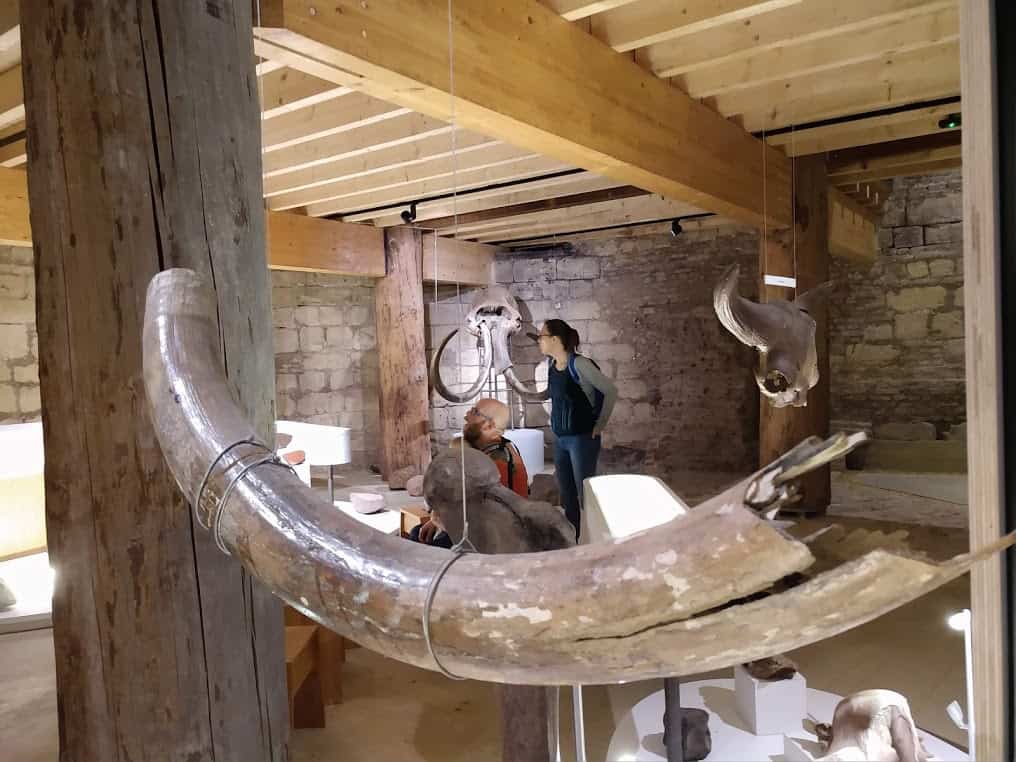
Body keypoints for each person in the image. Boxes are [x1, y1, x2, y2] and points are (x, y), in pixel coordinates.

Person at [533, 318, 616, 541]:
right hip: (560, 439)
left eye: (542, 336)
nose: (539, 340)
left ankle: (595, 538)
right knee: (568, 494)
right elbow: (553, 395)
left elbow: (610, 391)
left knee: (585, 493)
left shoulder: (579, 365)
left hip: (582, 440)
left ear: (555, 339)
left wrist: (600, 426)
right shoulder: (552, 366)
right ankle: (574, 537)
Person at [411, 398, 528, 547]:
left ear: (488, 425)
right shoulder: (488, 450)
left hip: (497, 540)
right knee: (418, 533)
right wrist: (435, 521)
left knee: (422, 544)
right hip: (483, 528)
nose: (466, 415)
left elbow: (479, 515)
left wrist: (438, 519)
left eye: (475, 412)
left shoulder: (498, 462)